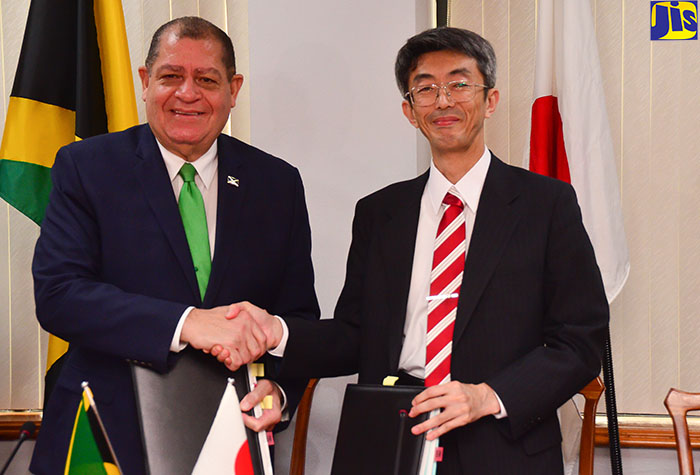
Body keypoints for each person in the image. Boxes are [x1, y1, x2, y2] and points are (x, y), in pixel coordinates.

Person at [218, 27, 609, 474]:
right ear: (410, 110)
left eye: (460, 84)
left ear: (491, 99)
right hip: (391, 436)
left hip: (503, 444)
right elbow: (354, 335)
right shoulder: (380, 213)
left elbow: (578, 341)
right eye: (426, 89)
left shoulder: (547, 205)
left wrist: (488, 396)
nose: (443, 101)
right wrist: (279, 332)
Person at [30, 16, 319, 474]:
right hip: (104, 440)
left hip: (232, 441)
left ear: (233, 89)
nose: (188, 93)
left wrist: (279, 392)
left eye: (207, 79)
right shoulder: (87, 166)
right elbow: (60, 296)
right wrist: (187, 324)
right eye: (170, 77)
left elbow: (298, 318)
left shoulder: (276, 183)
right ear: (145, 82)